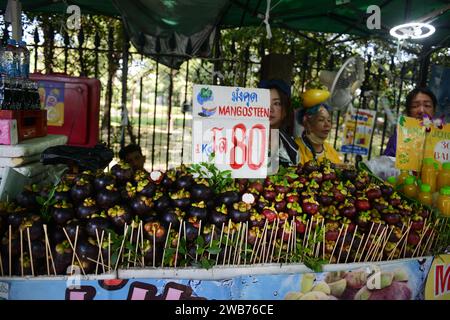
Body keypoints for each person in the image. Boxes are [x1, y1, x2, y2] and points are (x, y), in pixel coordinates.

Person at [384, 87, 437, 157]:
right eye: (415, 106)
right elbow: (388, 163)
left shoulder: (445, 138)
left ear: (434, 110)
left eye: (427, 105)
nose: (421, 110)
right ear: (408, 112)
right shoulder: (398, 138)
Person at [259, 79, 299, 167]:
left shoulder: (291, 148)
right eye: (265, 102)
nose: (270, 109)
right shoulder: (242, 141)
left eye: (277, 103)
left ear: (285, 111)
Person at [295, 89, 342, 165]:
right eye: (321, 120)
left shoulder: (331, 151)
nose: (327, 125)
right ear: (307, 123)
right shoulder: (295, 148)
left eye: (329, 120)